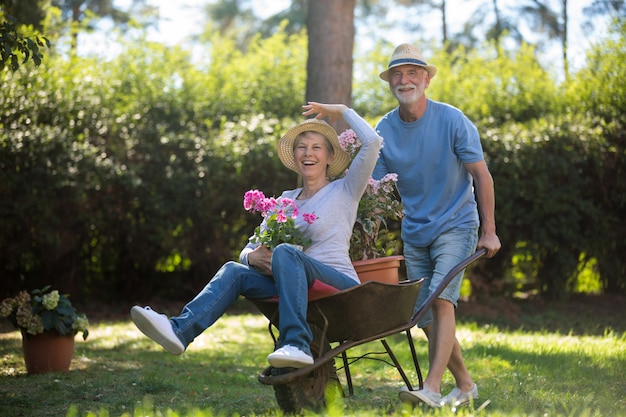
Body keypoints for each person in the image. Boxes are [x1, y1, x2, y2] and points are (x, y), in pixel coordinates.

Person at [130, 102, 383, 369]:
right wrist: (252, 258)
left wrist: (343, 112)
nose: (308, 153)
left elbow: (373, 142)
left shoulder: (345, 190)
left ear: (330, 157)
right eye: (302, 147)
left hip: (338, 285)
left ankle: (296, 344)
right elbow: (248, 249)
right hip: (296, 286)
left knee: (286, 252)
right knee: (233, 270)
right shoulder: (285, 201)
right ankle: (180, 330)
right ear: (295, 156)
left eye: (316, 147)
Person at [373, 44, 502, 407]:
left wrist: (488, 230)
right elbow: (378, 190)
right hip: (415, 232)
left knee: (442, 301)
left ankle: (430, 388)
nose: (404, 80)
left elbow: (482, 176)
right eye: (397, 74)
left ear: (426, 79)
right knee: (424, 316)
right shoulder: (384, 128)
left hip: (457, 224)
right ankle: (464, 385)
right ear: (390, 83)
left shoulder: (452, 120)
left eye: (413, 73)